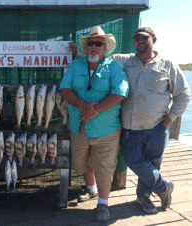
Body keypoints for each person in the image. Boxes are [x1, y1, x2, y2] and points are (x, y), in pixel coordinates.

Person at [70, 27, 190, 214]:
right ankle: (164, 187)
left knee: (151, 164)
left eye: (144, 38)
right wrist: (77, 53)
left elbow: (183, 94)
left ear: (154, 40)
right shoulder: (124, 61)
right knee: (133, 160)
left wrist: (170, 118)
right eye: (136, 38)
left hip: (157, 126)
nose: (139, 41)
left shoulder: (168, 64)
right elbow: (97, 57)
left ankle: (144, 198)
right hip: (130, 128)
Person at [59, 26, 129, 222]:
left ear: (104, 47)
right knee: (80, 162)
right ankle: (90, 188)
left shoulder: (114, 67)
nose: (94, 47)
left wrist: (95, 109)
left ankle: (103, 203)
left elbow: (121, 92)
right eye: (90, 43)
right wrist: (83, 106)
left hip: (107, 130)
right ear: (86, 46)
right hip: (79, 127)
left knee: (105, 166)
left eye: (98, 43)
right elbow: (64, 88)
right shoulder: (76, 65)